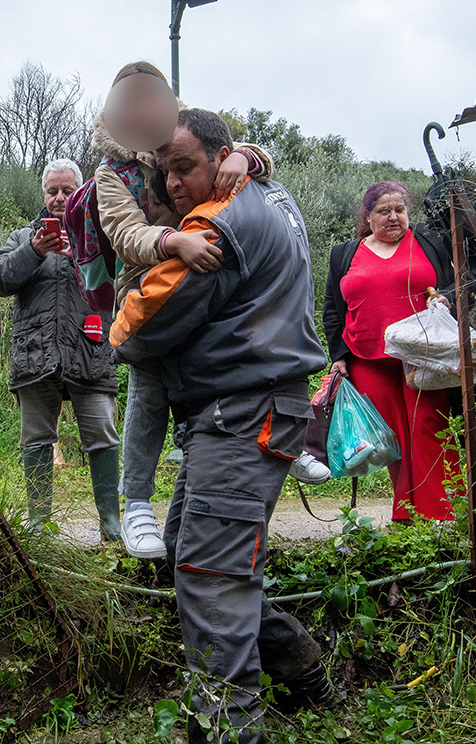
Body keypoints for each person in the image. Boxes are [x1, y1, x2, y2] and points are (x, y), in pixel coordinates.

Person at [112, 109, 335, 743]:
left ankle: (230, 728)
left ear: (220, 156)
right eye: (165, 171)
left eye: (185, 167)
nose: (174, 182)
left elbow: (142, 325)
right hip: (257, 409)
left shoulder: (214, 226)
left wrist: (119, 326)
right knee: (195, 550)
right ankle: (299, 662)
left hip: (241, 414)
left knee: (211, 576)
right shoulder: (275, 194)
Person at [93, 60, 329, 559]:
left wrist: (247, 156)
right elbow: (123, 233)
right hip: (152, 278)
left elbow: (224, 150)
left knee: (208, 371)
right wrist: (173, 239)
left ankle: (282, 451)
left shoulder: (184, 136)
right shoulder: (112, 173)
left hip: (208, 268)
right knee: (149, 388)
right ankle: (135, 501)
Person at [0, 158, 121, 540]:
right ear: (43, 193)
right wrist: (34, 250)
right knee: (36, 440)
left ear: (79, 191)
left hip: (91, 351)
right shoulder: (21, 237)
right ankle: (39, 525)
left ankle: (111, 524)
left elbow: (118, 281)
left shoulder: (98, 234)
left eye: (67, 190)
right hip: (36, 353)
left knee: (103, 437)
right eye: (52, 191)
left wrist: (84, 253)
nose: (60, 198)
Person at [323, 182, 460, 522]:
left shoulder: (427, 243)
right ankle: (407, 516)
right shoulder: (344, 254)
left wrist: (447, 301)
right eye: (384, 211)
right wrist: (338, 356)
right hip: (367, 357)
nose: (394, 217)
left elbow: (456, 285)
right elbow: (332, 309)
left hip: (424, 358)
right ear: (367, 216)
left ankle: (440, 516)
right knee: (392, 438)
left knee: (428, 427)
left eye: (400, 210)